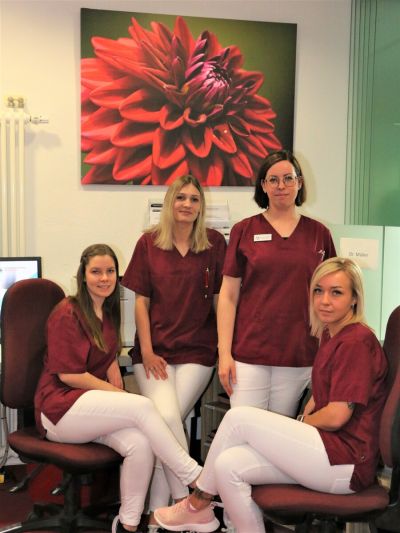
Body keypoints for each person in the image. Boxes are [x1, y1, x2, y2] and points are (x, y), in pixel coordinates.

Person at [154, 257, 388, 533]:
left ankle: (198, 502)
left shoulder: (355, 342)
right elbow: (326, 392)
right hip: (328, 452)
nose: (324, 300)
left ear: (354, 299)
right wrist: (309, 409)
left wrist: (298, 424)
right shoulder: (331, 334)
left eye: (336, 292)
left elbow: (336, 416)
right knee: (228, 465)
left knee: (239, 418)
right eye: (318, 290)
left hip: (346, 463)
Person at [34, 244, 204, 533]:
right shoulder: (67, 312)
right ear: (83, 275)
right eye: (96, 272)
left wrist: (113, 367)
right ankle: (194, 477)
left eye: (110, 271)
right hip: (58, 410)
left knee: (140, 444)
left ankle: (128, 524)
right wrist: (119, 395)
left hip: (86, 410)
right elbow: (70, 375)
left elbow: (105, 352)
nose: (104, 278)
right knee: (142, 406)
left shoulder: (107, 311)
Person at [121, 175, 226, 532]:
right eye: (180, 197)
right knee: (166, 419)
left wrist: (225, 348)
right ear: (169, 202)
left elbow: (220, 301)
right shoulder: (148, 243)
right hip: (155, 353)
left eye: (194, 199)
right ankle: (191, 500)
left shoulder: (214, 243)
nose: (187, 204)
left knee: (165, 424)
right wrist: (148, 351)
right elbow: (141, 303)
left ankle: (158, 514)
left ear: (201, 206)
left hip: (197, 350)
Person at [218, 149, 336, 417]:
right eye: (273, 179)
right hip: (250, 352)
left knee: (278, 432)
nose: (281, 186)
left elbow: (331, 298)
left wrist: (328, 352)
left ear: (299, 183)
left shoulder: (319, 234)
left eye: (288, 178)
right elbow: (228, 296)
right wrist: (224, 354)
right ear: (263, 186)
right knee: (244, 425)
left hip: (298, 353)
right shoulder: (244, 230)